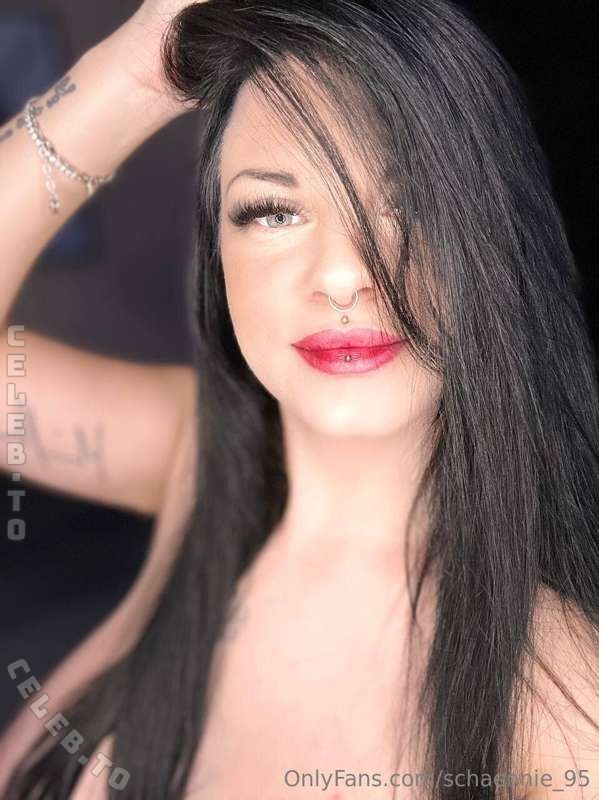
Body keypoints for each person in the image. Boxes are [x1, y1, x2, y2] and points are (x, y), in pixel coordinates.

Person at [1, 0, 599, 797]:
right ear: (218, 258)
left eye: (409, 206)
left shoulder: (557, 697)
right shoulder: (196, 460)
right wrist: (136, 74)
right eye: (273, 211)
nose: (342, 275)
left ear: (492, 242)